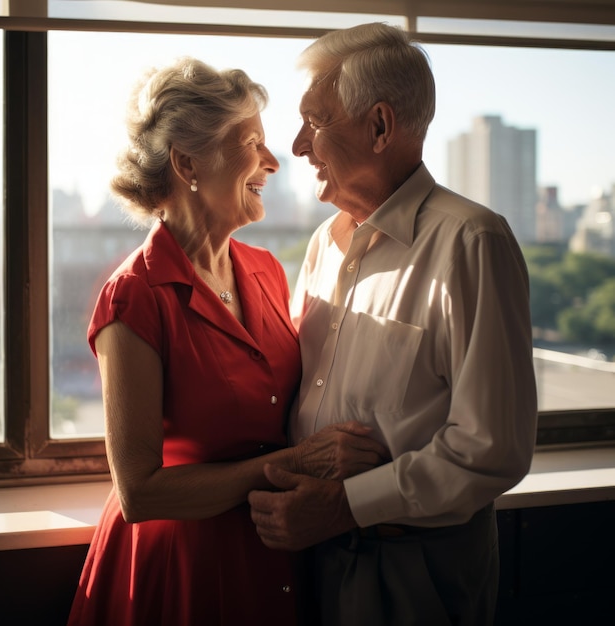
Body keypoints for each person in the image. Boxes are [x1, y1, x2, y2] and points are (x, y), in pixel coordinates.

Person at [67, 56, 387, 626]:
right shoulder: (134, 297)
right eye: (253, 142)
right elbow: (140, 494)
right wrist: (291, 464)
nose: (274, 161)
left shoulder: (266, 269)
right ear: (188, 161)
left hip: (276, 549)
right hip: (184, 570)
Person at [248, 22, 538, 626]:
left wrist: (344, 506)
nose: (298, 146)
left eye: (315, 121)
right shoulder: (323, 245)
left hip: (415, 567)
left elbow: (493, 450)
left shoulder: (471, 242)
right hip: (309, 552)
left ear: (379, 126)